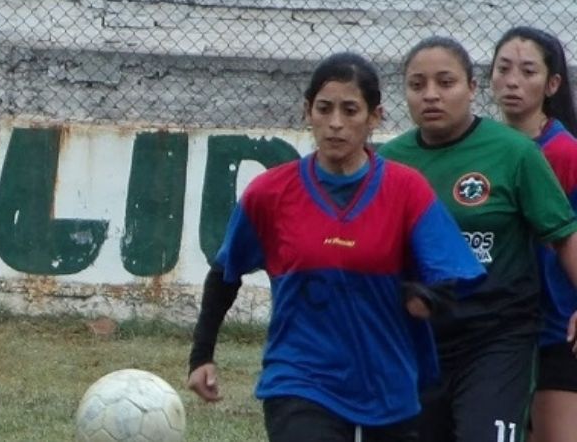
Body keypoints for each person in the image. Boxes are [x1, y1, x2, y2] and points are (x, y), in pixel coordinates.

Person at [187, 52, 485, 442]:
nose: (336, 123)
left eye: (350, 110)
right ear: (307, 111)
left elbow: (451, 278)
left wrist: (425, 299)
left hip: (387, 384)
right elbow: (225, 274)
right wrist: (201, 356)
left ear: (375, 117)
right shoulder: (269, 194)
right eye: (324, 109)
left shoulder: (406, 190)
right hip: (299, 380)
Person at [379, 36, 577, 442]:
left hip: (497, 336)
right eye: (417, 85)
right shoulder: (389, 163)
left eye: (445, 82)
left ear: (471, 88)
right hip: (419, 337)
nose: (431, 95)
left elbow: (564, 235)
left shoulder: (515, 153)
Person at [490, 26, 577, 442]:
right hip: (497, 328)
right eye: (503, 69)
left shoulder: (564, 153)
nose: (513, 81)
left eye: (527, 71)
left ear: (552, 83)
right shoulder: (484, 149)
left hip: (555, 328)